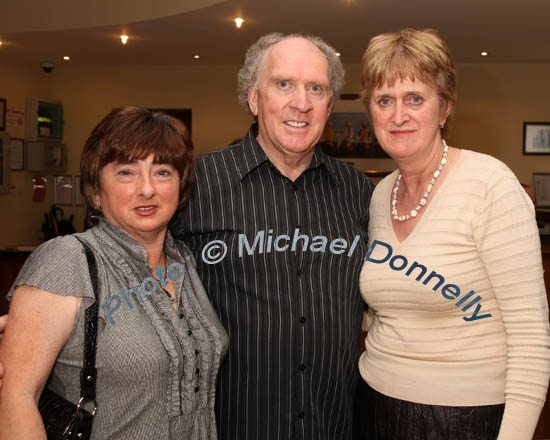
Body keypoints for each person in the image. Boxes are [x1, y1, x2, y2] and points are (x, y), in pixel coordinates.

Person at [169, 33, 373, 440]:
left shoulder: (361, 192)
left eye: (315, 88)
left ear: (329, 106)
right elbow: (128, 262)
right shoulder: (196, 183)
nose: (301, 102)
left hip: (333, 424)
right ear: (253, 98)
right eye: (283, 84)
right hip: (231, 424)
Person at [354, 28, 550, 440]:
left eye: (415, 99)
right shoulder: (378, 196)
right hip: (375, 404)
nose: (398, 115)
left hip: (466, 417)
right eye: (384, 100)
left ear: (444, 109)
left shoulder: (490, 185)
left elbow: (531, 337)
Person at [0, 107, 228, 439]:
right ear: (95, 190)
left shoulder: (186, 263)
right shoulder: (66, 260)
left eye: (163, 172)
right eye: (126, 172)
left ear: (181, 187)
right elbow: (15, 399)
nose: (147, 188)